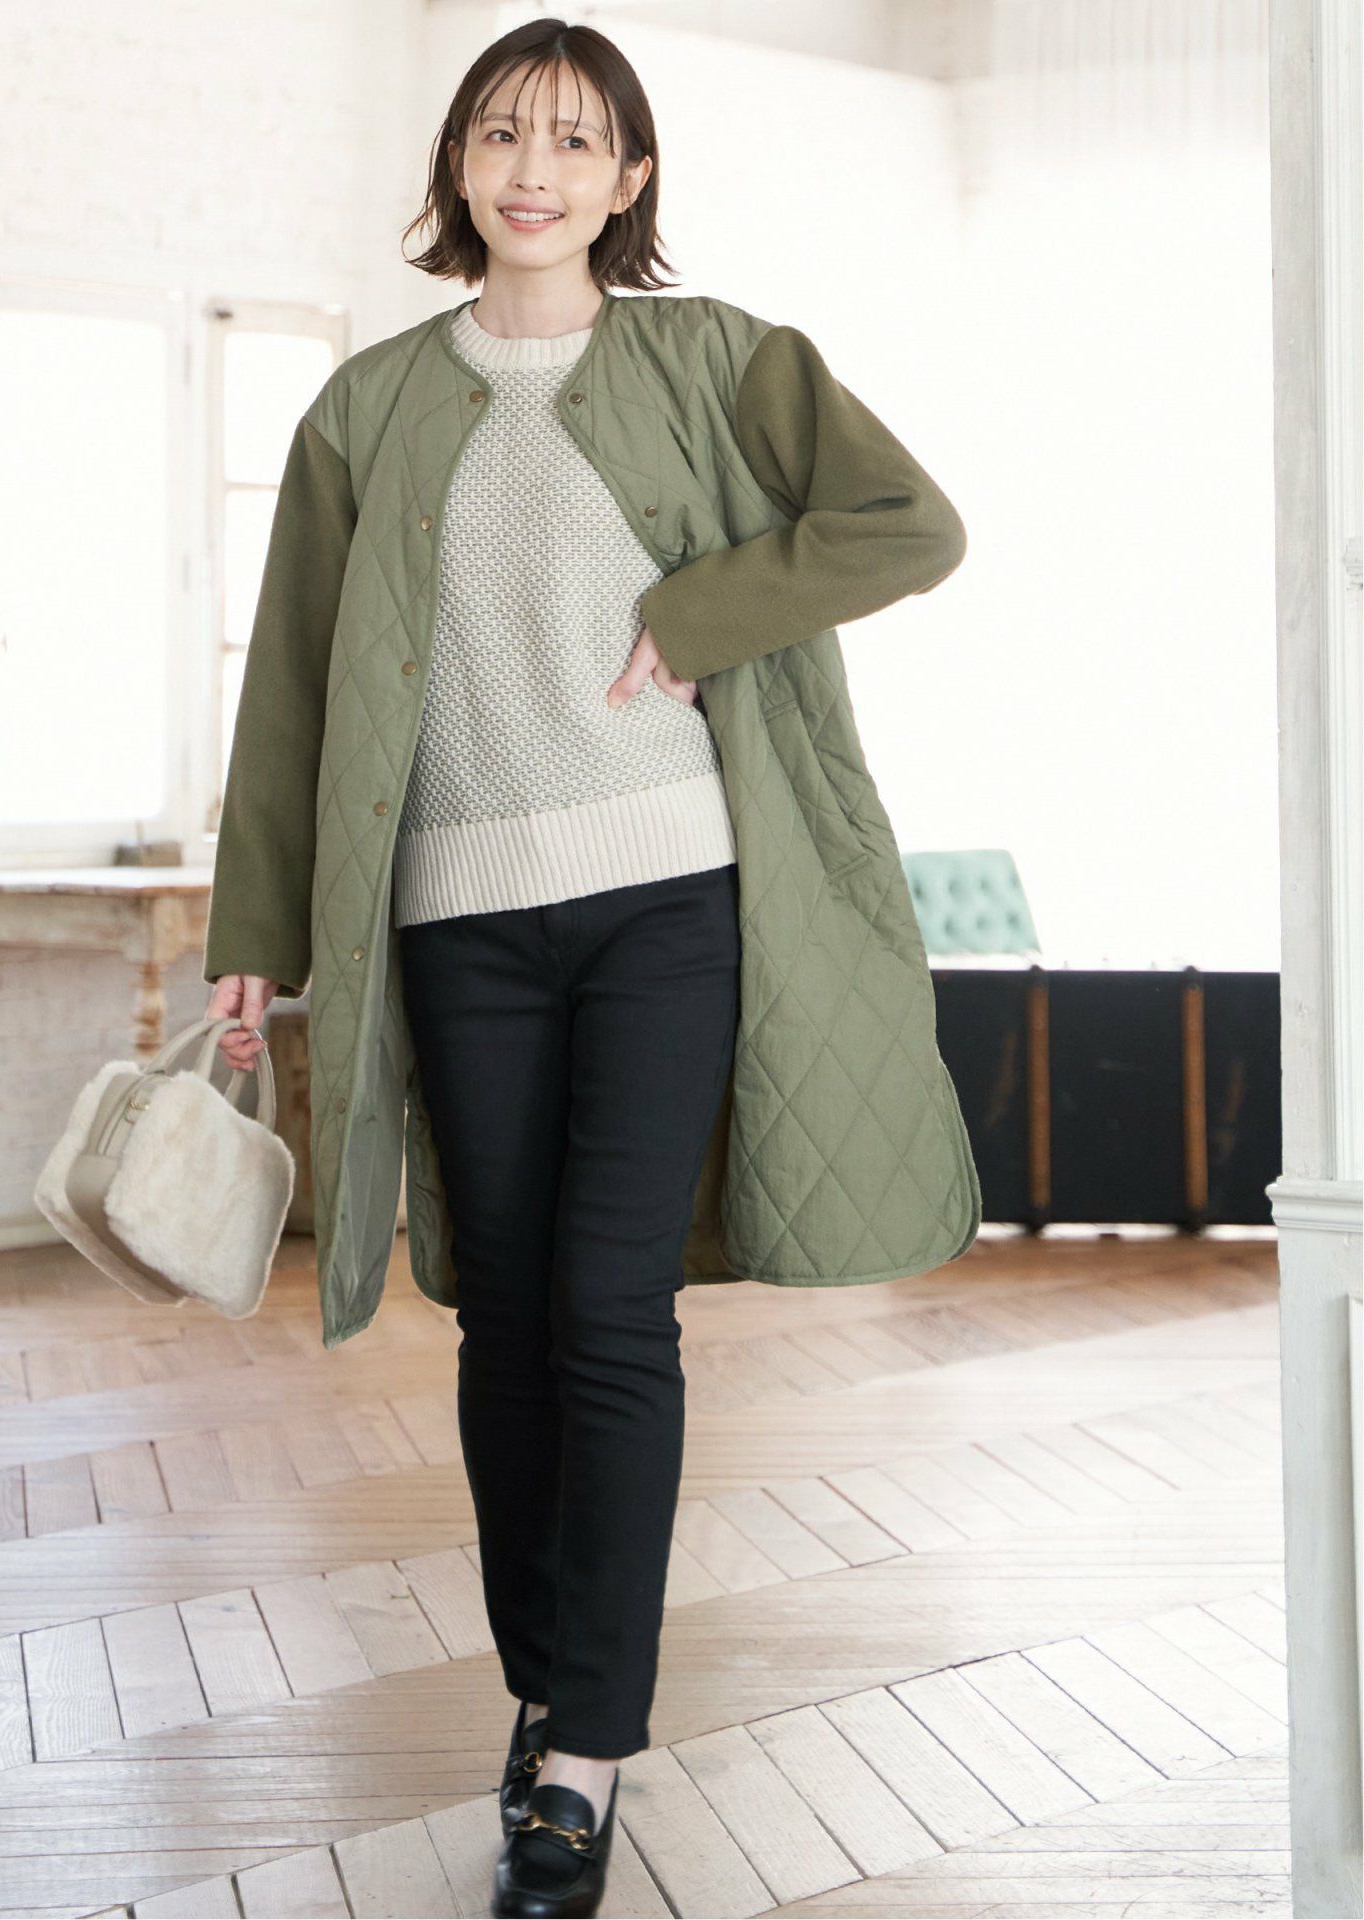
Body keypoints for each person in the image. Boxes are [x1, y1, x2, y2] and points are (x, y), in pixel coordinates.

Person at [204, 19, 971, 1917]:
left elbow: (910, 522)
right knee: (506, 1318)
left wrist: (704, 614)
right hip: (456, 921)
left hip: (665, 905)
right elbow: (293, 681)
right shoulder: (367, 409)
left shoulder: (719, 360)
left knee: (613, 1314)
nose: (531, 168)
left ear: (629, 178)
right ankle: (548, 1688)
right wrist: (255, 936)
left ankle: (586, 1759)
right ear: (457, 168)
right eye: (499, 133)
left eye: (572, 139)